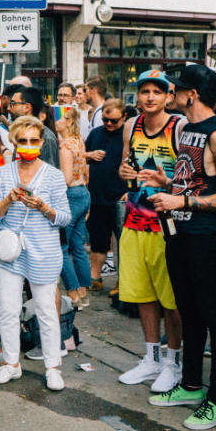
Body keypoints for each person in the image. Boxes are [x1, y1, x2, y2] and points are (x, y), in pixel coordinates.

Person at [148, 63, 216, 429]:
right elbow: (194, 179)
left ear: (193, 94)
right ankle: (191, 385)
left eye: (176, 89)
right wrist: (166, 182)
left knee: (213, 318)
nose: (170, 94)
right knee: (189, 314)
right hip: (180, 236)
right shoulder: (188, 129)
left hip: (209, 239)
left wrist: (184, 203)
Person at [0, 116, 71, 390]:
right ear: (14, 141)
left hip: (44, 250)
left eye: (34, 140)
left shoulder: (54, 175)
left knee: (46, 310)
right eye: (23, 141)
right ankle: (11, 364)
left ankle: (53, 366)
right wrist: (8, 200)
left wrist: (44, 207)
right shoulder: (3, 173)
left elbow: (65, 218)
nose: (28, 145)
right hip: (10, 250)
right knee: (8, 309)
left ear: (42, 142)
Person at [116, 70, 186, 393]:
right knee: (142, 294)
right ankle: (151, 358)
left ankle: (174, 362)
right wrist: (124, 172)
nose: (150, 97)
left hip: (167, 225)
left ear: (169, 97)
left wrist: (165, 182)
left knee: (170, 298)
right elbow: (123, 168)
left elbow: (192, 183)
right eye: (144, 91)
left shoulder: (179, 127)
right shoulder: (131, 126)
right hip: (134, 218)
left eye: (157, 92)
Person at [85, 99, 127, 291]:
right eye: (105, 120)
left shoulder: (129, 135)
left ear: (124, 117)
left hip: (121, 198)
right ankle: (95, 278)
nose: (109, 124)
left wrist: (130, 191)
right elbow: (80, 154)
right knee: (97, 240)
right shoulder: (95, 133)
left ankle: (124, 281)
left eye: (114, 120)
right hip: (97, 196)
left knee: (124, 243)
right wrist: (89, 155)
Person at [56, 107, 91, 309]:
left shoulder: (65, 147)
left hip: (71, 196)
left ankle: (73, 292)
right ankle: (84, 292)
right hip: (83, 193)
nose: (56, 123)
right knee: (78, 246)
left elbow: (66, 179)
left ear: (68, 122)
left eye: (59, 119)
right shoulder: (79, 141)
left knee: (61, 247)